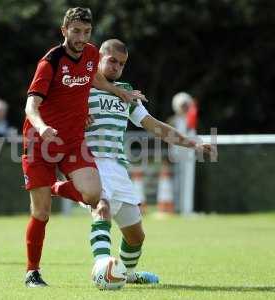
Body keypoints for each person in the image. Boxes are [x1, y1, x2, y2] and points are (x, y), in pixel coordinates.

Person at [52, 39, 217, 284]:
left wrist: (192, 143)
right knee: (102, 208)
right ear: (98, 58)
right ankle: (101, 268)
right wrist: (75, 115)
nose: (117, 66)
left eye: (122, 63)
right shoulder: (81, 86)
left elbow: (153, 125)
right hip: (89, 163)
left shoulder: (126, 92)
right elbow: (54, 112)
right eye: (112, 60)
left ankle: (127, 274)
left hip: (118, 167)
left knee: (135, 236)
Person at [22, 7, 144, 287]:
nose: (81, 37)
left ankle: (56, 187)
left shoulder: (90, 54)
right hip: (40, 142)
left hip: (73, 140)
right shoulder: (50, 62)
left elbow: (95, 78)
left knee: (92, 194)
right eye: (75, 31)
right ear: (64, 31)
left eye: (86, 32)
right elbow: (31, 105)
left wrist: (119, 91)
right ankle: (32, 272)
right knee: (41, 213)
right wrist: (42, 128)